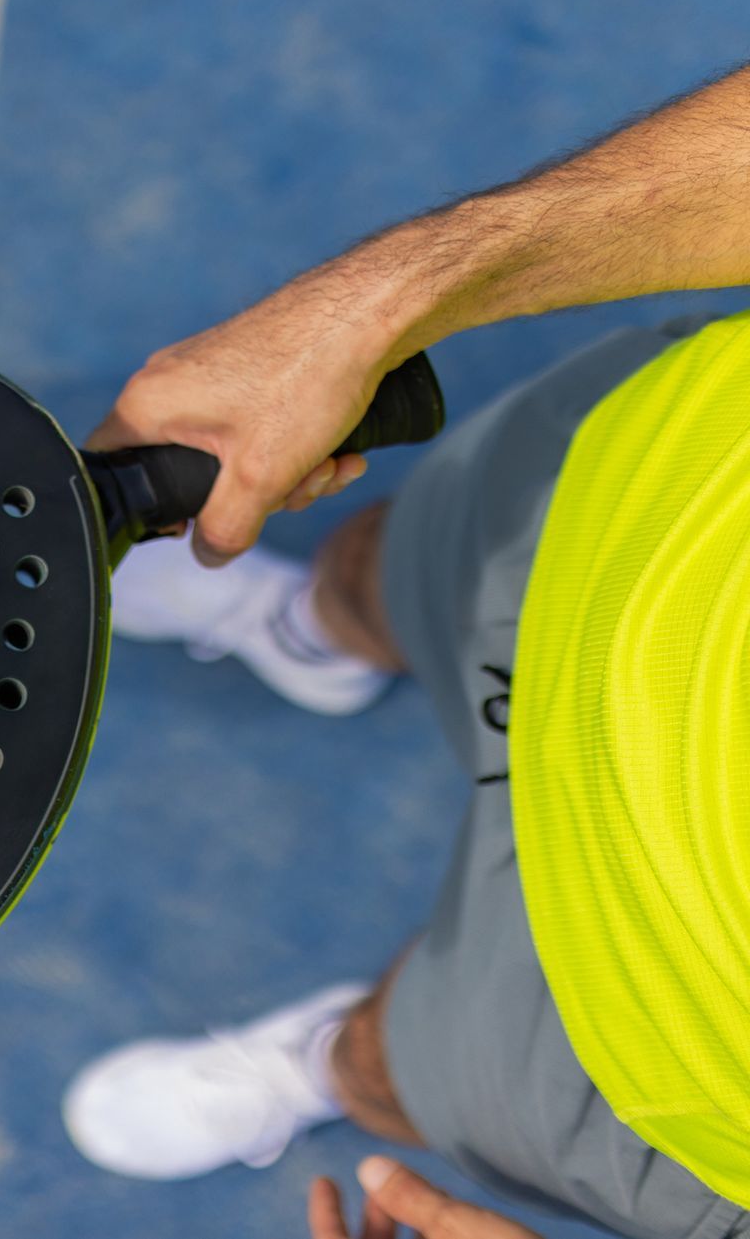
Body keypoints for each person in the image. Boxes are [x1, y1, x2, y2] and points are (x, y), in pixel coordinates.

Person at [63, 62, 750, 1238]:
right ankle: (309, 633)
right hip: (643, 509)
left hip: (655, 1046)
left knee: (397, 1066)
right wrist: (378, 303)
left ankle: (333, 1065)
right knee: (378, 567)